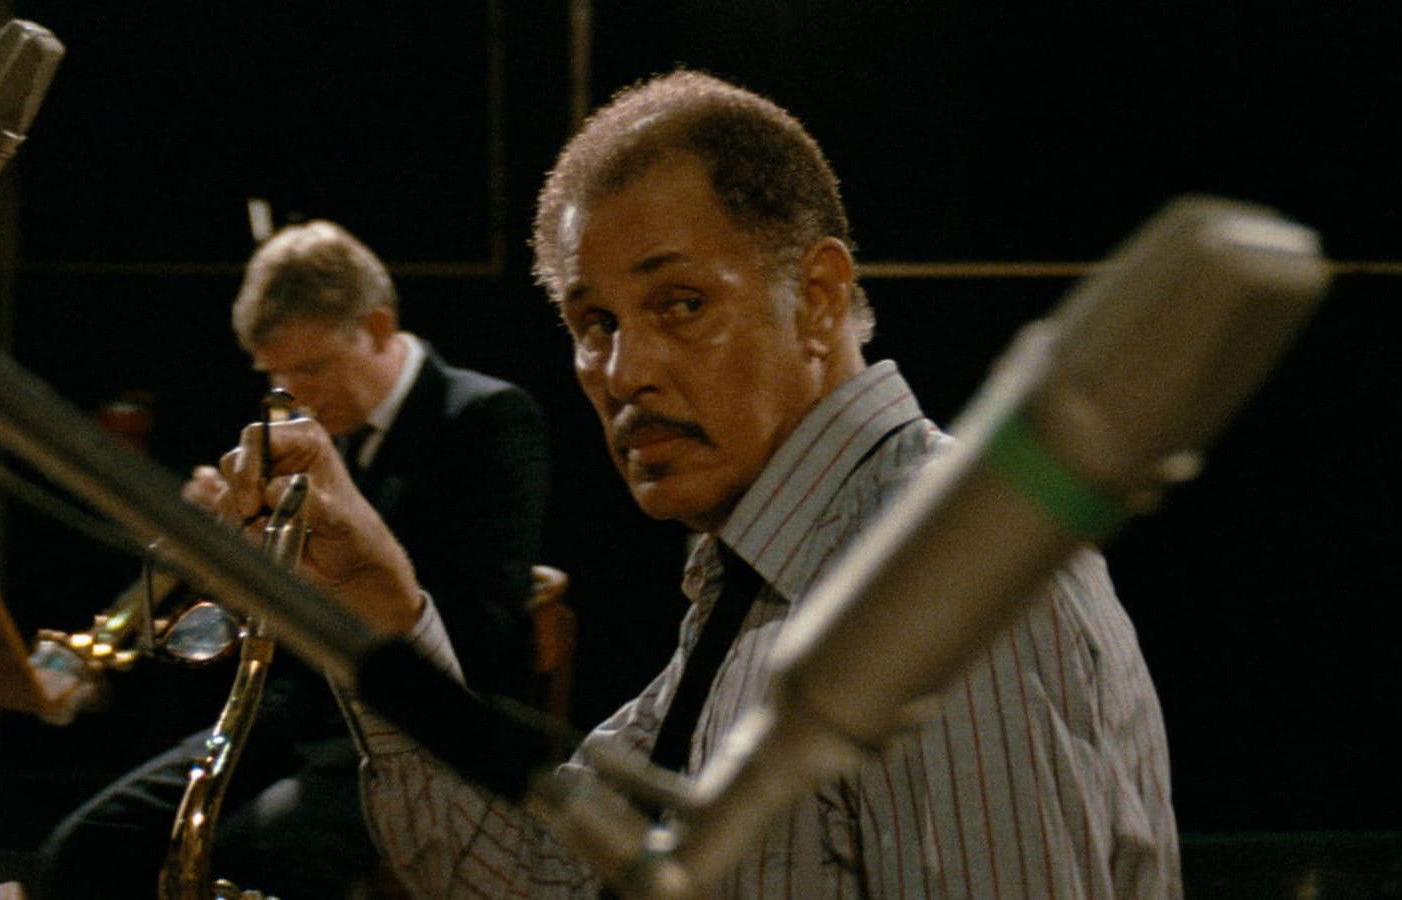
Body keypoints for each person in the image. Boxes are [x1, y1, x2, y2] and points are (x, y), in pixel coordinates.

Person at [211, 72, 1180, 897]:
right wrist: (378, 614)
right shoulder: (768, 566)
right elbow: (544, 878)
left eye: (680, 304)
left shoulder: (946, 584)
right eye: (594, 324)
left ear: (818, 297)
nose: (625, 372)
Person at [38, 220, 549, 898]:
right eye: (277, 375)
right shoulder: (322, 427)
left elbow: (482, 633)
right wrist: (233, 547)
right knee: (89, 846)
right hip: (297, 719)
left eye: (310, 369)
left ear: (376, 327)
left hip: (419, 732)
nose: (294, 396)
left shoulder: (485, 418)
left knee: (253, 853)